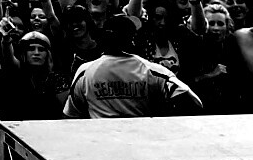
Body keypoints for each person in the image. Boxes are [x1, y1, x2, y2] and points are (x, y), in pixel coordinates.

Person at [65, 16, 205, 119]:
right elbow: (194, 102)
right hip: (140, 141)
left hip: (100, 143)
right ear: (131, 40)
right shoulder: (152, 71)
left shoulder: (85, 72)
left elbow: (70, 115)